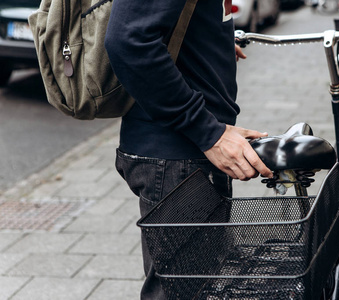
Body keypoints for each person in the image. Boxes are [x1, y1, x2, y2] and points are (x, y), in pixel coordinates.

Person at [104, 0, 272, 299]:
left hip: (189, 152)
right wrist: (210, 134)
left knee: (201, 289)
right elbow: (128, 40)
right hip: (177, 158)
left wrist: (207, 43)